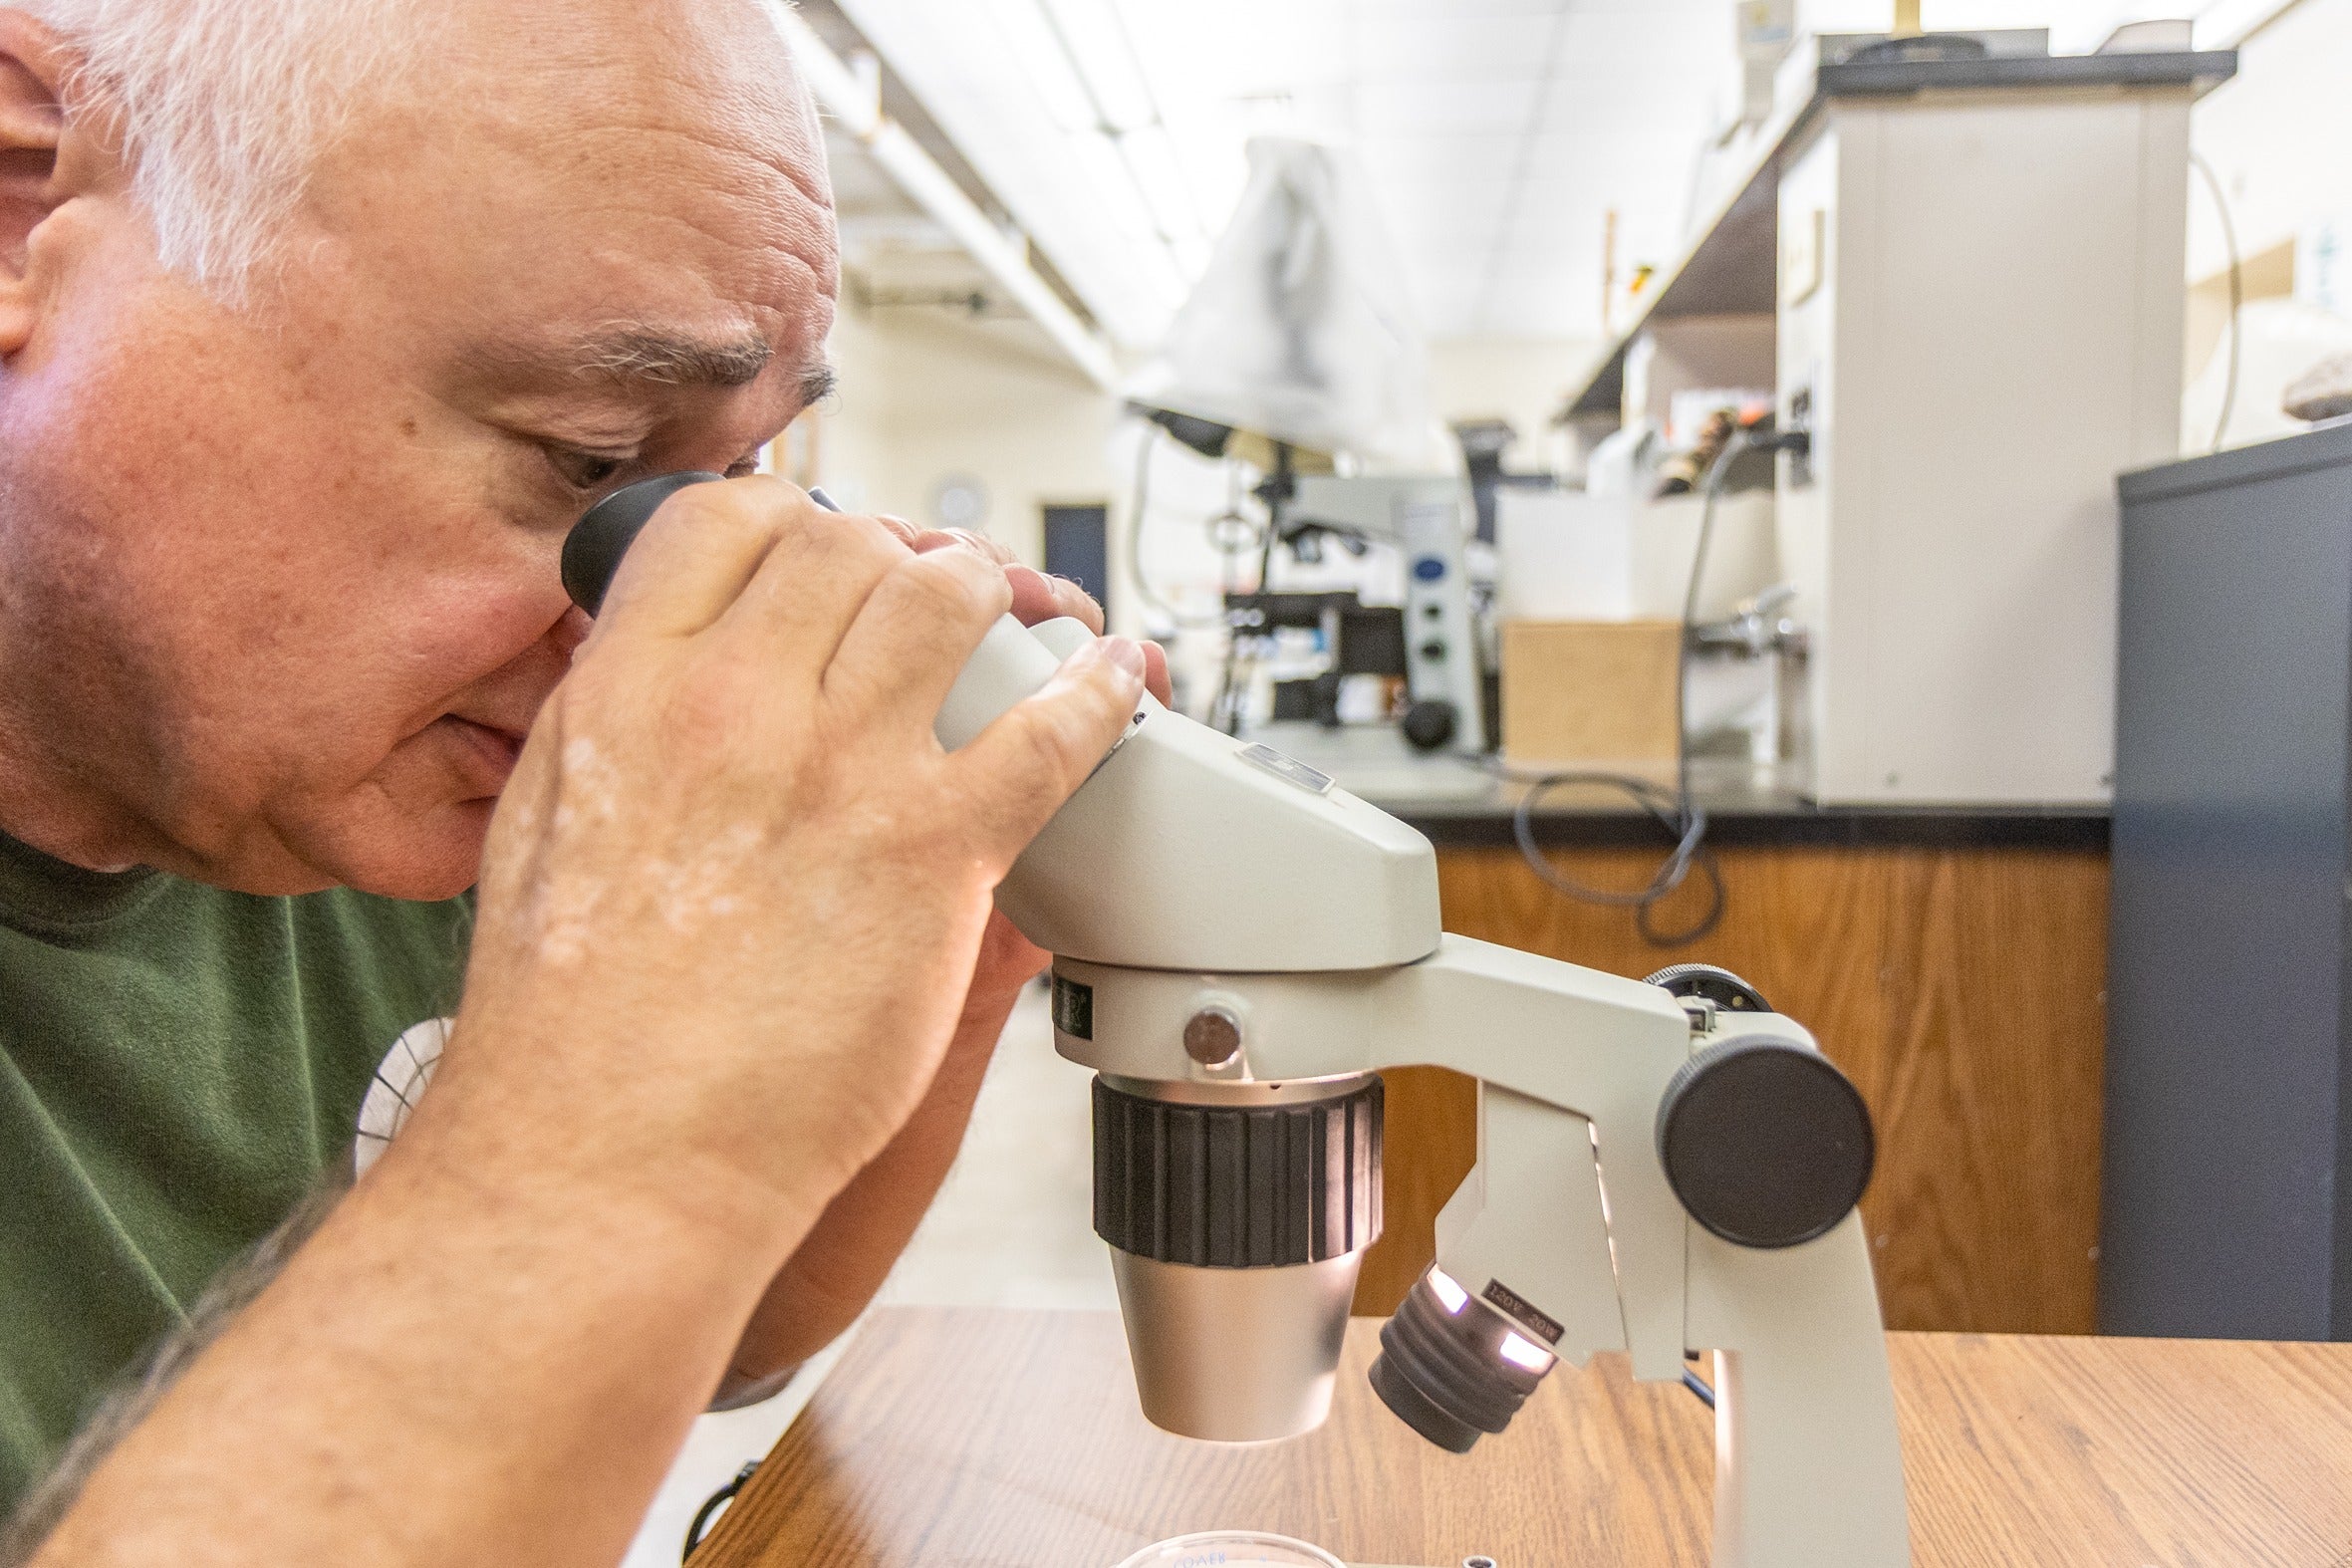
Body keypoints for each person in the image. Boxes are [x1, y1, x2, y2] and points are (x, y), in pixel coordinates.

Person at [0, 0, 1167, 1559]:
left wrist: (952, 955)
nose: (643, 611)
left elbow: (719, 1336)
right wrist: (605, 1155)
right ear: (25, 203)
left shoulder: (406, 761)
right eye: (589, 455)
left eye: (728, 481)